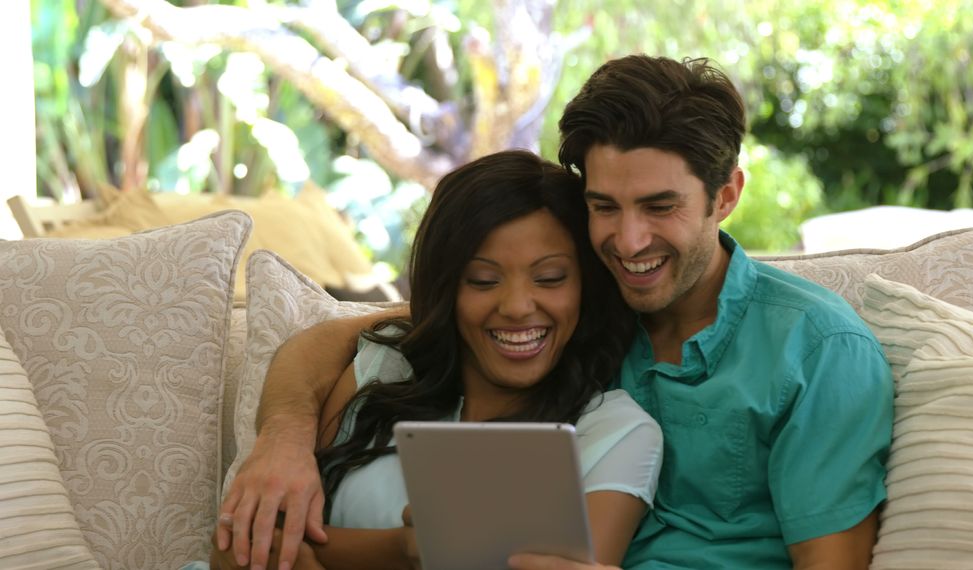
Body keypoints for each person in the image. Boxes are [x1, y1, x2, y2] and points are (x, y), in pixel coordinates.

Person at [222, 55, 893, 570]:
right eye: (605, 206)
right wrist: (283, 439)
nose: (629, 243)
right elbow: (357, 331)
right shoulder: (578, 303)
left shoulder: (817, 349)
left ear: (725, 196)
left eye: (660, 207)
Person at [210, 150, 662, 569]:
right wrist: (403, 547)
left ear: (585, 285)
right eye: (482, 280)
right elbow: (241, 551)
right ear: (446, 289)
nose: (518, 306)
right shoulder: (383, 369)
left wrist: (328, 555)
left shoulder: (616, 432)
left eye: (550, 278)